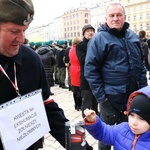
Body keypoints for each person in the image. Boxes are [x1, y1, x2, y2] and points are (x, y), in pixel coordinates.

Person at [0, 1, 93, 150]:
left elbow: (50, 108)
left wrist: (82, 146)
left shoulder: (31, 58)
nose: (22, 38)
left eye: (25, 30)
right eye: (14, 31)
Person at [84, 2, 148, 150]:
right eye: (112, 15)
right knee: (106, 137)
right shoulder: (99, 39)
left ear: (124, 17)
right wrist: (102, 98)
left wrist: (143, 93)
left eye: (119, 15)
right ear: (106, 18)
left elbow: (141, 66)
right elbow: (90, 70)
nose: (115, 18)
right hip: (110, 100)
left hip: (131, 99)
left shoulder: (132, 37)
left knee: (129, 134)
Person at [83, 85, 150, 150]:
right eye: (131, 115)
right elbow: (103, 132)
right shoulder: (121, 130)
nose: (134, 122)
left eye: (141, 118)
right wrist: (93, 122)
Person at [76, 24, 98, 117]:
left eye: (92, 31)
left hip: (97, 78)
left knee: (95, 103)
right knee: (87, 103)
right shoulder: (81, 45)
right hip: (86, 79)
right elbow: (83, 60)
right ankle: (86, 121)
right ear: (84, 33)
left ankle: (95, 121)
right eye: (88, 31)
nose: (91, 32)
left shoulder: (97, 43)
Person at [69, 37, 82, 111]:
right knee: (79, 89)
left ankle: (76, 105)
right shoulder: (78, 50)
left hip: (73, 69)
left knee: (75, 89)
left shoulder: (71, 49)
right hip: (78, 69)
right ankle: (79, 105)